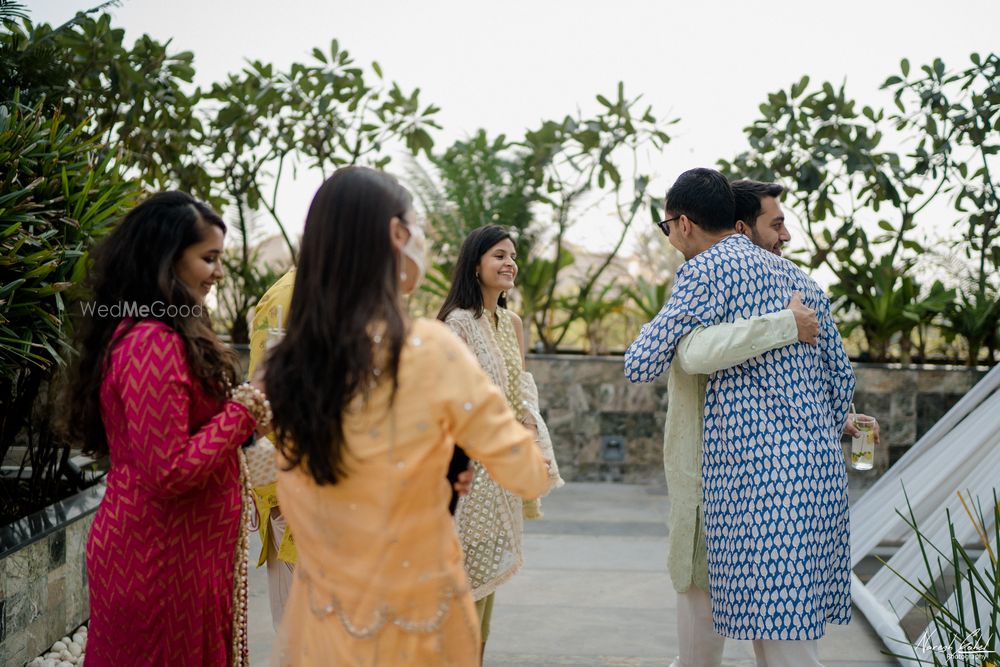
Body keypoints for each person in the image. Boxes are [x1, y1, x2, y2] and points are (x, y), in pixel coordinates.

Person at [264, 166, 550, 666]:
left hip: (321, 623)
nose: (422, 239)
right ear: (397, 235)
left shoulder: (287, 364)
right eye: (417, 226)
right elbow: (527, 473)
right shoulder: (431, 351)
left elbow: (282, 471)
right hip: (415, 624)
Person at [626, 168, 857, 667]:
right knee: (787, 637)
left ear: (684, 223)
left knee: (773, 643)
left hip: (753, 486)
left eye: (666, 227)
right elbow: (841, 386)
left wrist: (676, 334)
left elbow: (640, 363)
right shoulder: (802, 281)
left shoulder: (707, 269)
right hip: (816, 476)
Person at [67, 192, 270, 666]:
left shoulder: (170, 330)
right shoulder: (149, 343)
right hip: (157, 564)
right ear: (167, 259)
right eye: (209, 258)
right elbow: (169, 470)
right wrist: (247, 405)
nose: (219, 272)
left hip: (182, 558)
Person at [436, 225, 564, 658]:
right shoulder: (457, 324)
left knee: (486, 587)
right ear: (475, 264)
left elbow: (521, 385)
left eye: (512, 255)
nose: (509, 262)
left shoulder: (510, 322)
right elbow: (448, 399)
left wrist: (529, 432)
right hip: (467, 472)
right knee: (462, 585)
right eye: (498, 255)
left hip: (502, 472)